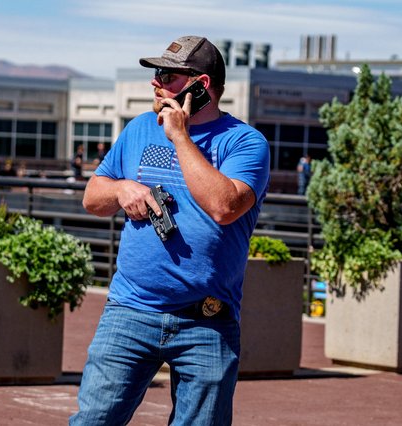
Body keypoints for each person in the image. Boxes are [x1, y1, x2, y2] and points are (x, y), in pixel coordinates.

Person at [71, 36, 270, 425]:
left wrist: (180, 134)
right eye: (155, 73)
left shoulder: (245, 142)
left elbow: (224, 206)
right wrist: (120, 188)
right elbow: (92, 198)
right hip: (130, 311)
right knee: (93, 420)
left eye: (167, 75)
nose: (155, 82)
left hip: (207, 321)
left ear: (201, 86)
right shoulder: (139, 129)